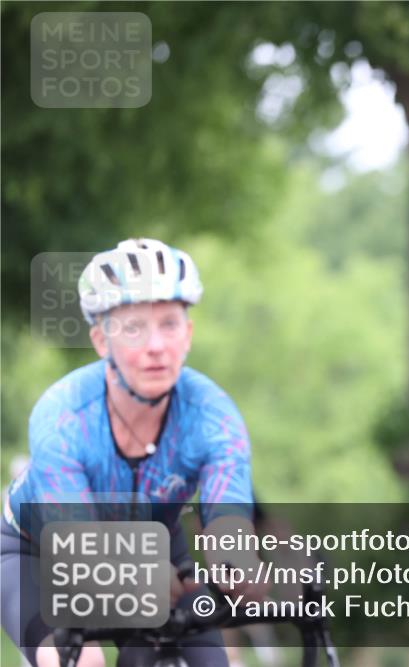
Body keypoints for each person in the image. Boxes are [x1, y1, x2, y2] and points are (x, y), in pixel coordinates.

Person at [2, 239, 264, 667]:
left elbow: (227, 521)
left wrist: (239, 569)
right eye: (133, 328)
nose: (156, 345)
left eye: (169, 324)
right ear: (101, 341)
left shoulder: (213, 415)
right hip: (39, 553)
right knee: (80, 662)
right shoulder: (63, 414)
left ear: (189, 334)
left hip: (159, 548)